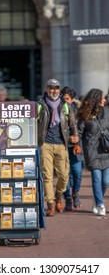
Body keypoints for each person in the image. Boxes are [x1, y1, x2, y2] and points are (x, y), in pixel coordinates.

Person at [37, 79, 79, 217]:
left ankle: (58, 195)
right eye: (51, 88)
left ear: (59, 90)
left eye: (56, 88)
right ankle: (50, 204)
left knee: (64, 176)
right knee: (47, 176)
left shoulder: (65, 105)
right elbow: (32, 122)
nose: (54, 91)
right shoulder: (40, 104)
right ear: (46, 88)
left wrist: (75, 138)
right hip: (45, 144)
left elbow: (72, 123)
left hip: (62, 143)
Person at [76, 88, 109, 216]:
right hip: (91, 150)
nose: (104, 100)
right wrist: (77, 144)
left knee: (106, 181)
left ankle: (96, 200)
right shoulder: (85, 115)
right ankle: (100, 204)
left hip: (105, 149)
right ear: (96, 99)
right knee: (96, 177)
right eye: (102, 98)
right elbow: (79, 132)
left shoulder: (107, 112)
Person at [61, 86, 83, 210]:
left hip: (76, 147)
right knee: (65, 175)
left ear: (72, 99)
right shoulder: (58, 110)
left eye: (67, 99)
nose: (65, 102)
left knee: (77, 173)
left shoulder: (79, 112)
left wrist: (77, 142)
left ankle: (76, 192)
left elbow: (81, 129)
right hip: (62, 146)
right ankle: (68, 197)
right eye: (63, 99)